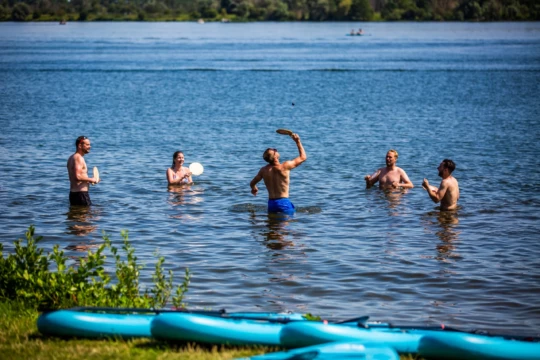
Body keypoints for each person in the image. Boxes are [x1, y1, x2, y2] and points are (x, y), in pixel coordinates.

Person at [250, 133, 307, 214]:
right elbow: (303, 157)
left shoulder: (263, 170)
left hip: (271, 204)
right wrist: (297, 141)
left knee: (272, 226)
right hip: (283, 203)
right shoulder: (285, 166)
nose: (276, 150)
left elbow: (252, 183)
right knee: (286, 225)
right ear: (275, 157)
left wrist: (254, 188)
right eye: (275, 151)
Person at [67, 136, 99, 206]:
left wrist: (92, 180)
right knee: (87, 215)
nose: (90, 146)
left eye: (89, 144)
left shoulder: (71, 157)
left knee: (75, 216)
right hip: (81, 195)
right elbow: (77, 176)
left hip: (73, 194)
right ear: (80, 145)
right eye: (87, 145)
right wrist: (91, 179)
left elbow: (77, 178)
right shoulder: (78, 158)